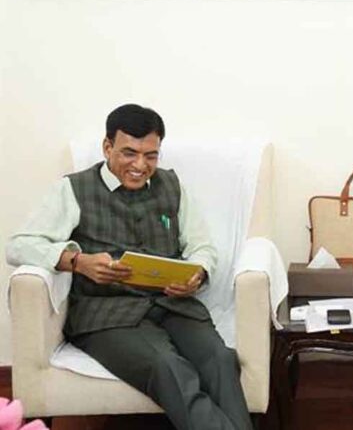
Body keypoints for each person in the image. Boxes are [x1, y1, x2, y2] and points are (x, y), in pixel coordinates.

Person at [6, 104, 253, 430]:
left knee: (220, 360)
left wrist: (197, 272)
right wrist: (78, 261)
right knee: (168, 367)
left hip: (174, 304)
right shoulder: (73, 189)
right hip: (106, 315)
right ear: (107, 147)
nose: (140, 165)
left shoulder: (172, 186)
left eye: (150, 155)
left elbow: (201, 245)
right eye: (129, 153)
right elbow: (18, 245)